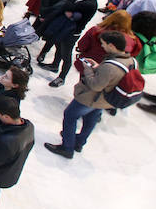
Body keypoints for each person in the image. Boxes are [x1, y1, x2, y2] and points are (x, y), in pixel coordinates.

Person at [44, 31, 134, 159]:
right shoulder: (129, 60)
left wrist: (88, 69)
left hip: (92, 97)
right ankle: (79, 142)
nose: (102, 46)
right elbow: (112, 77)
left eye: (103, 44)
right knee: (91, 119)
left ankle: (67, 147)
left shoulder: (110, 66)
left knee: (70, 115)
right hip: (105, 99)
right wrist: (98, 67)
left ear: (112, 46)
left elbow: (95, 85)